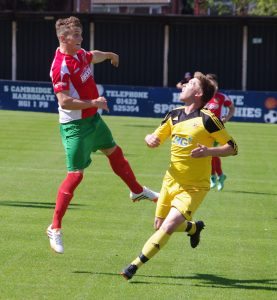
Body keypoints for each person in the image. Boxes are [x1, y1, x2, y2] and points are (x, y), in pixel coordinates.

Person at [47, 16, 159, 254]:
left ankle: (137, 190)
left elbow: (92, 55)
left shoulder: (79, 54)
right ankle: (55, 227)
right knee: (75, 176)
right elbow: (64, 101)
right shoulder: (60, 66)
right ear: (63, 38)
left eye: (80, 34)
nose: (81, 38)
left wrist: (109, 55)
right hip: (75, 127)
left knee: (114, 152)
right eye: (76, 35)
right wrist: (93, 102)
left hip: (94, 120)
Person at [120, 72, 238, 280]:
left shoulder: (209, 119)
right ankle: (193, 228)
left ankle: (133, 266)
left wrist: (209, 152)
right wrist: (150, 139)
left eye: (190, 83)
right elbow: (154, 136)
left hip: (195, 187)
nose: (184, 85)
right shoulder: (173, 114)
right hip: (171, 180)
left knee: (166, 227)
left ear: (199, 93)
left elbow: (233, 147)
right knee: (159, 225)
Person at [205, 73, 235, 191]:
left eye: (212, 82)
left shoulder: (222, 97)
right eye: (208, 82)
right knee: (209, 154)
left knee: (212, 153)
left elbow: (232, 108)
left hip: (217, 129)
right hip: (204, 129)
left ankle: (215, 177)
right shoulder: (203, 96)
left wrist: (226, 118)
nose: (210, 84)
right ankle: (218, 177)